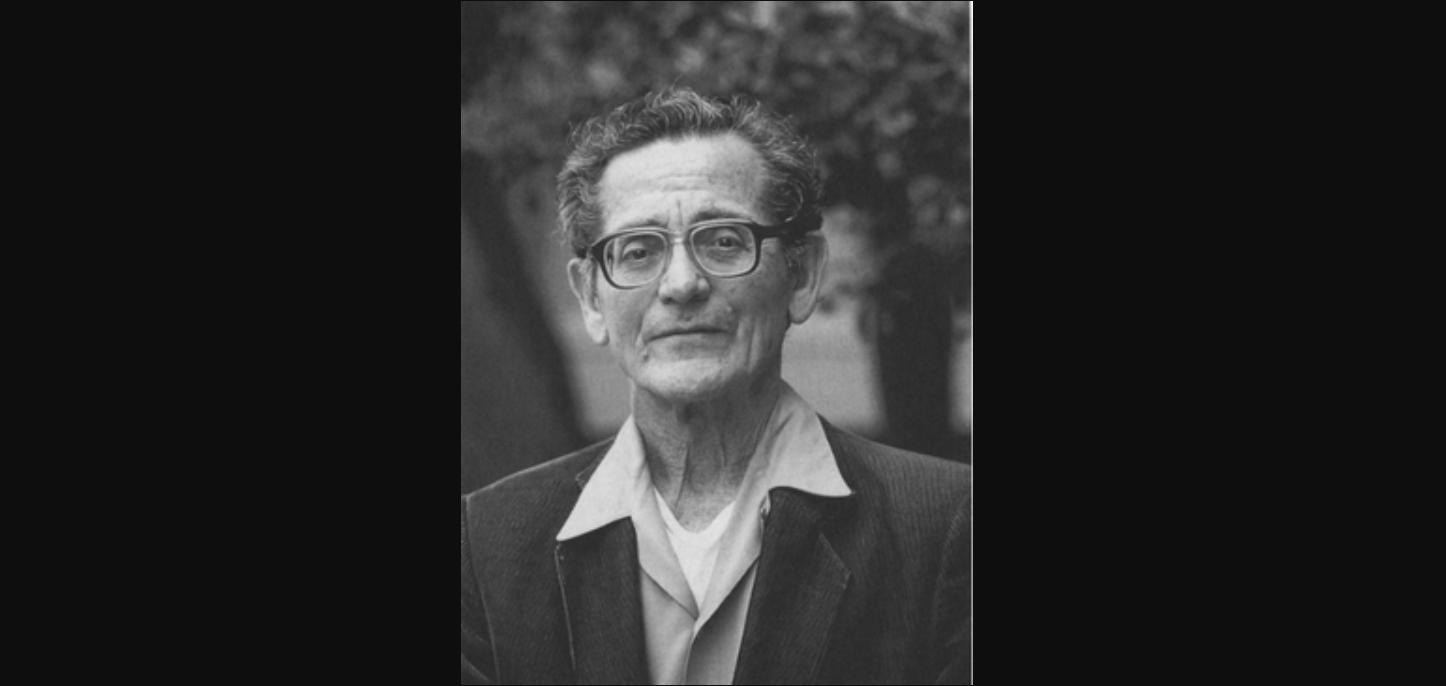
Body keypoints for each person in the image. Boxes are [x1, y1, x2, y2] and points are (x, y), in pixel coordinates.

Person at [460, 88, 971, 685]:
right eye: (638, 250)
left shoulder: (949, 527)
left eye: (724, 241)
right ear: (590, 298)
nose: (681, 284)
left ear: (802, 276)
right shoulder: (485, 544)